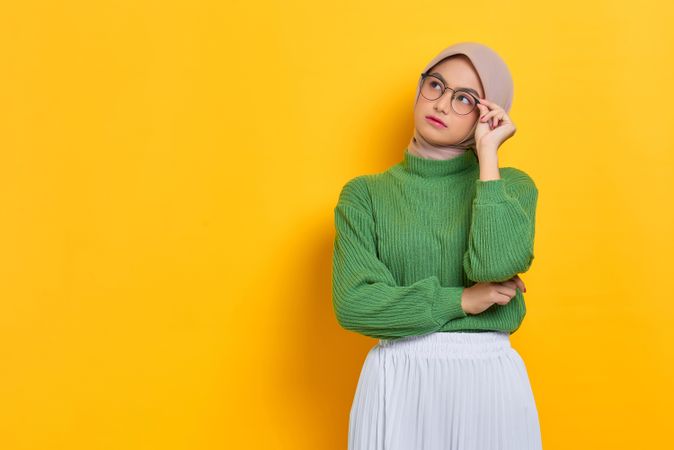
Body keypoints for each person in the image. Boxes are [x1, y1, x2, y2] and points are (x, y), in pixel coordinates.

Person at [332, 41, 543, 449]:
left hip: (487, 383)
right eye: (436, 85)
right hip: (397, 379)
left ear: (489, 113)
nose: (443, 104)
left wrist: (488, 156)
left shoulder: (509, 186)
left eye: (466, 99)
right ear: (420, 89)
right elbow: (354, 304)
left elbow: (494, 265)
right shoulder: (365, 195)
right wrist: (462, 301)